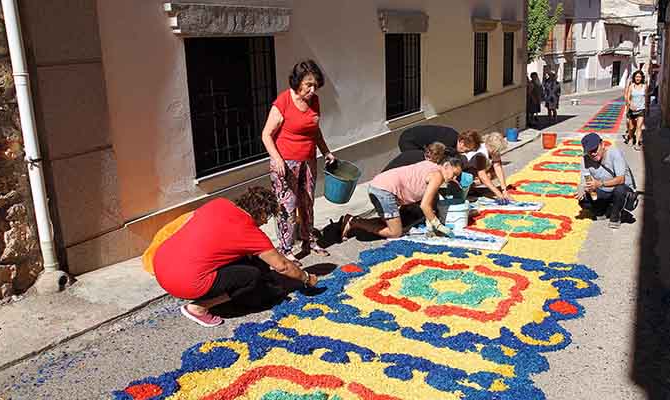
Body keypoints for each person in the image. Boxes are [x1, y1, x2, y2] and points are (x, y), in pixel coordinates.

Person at [153, 187, 318, 327]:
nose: (265, 222)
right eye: (266, 217)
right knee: (252, 276)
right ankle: (199, 308)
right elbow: (282, 266)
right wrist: (305, 278)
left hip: (161, 264)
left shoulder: (218, 203)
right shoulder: (250, 233)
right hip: (184, 283)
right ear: (260, 212)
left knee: (253, 262)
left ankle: (245, 292)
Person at [262, 59, 335, 265]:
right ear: (297, 82)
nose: (312, 90)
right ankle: (285, 249)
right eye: (308, 85)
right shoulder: (283, 102)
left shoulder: (314, 101)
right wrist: (277, 160)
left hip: (308, 160)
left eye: (315, 85)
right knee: (287, 205)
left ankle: (308, 239)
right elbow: (266, 134)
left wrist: (326, 152)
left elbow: (314, 129)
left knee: (308, 201)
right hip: (286, 163)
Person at [341, 157, 464, 239]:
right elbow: (425, 205)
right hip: (384, 191)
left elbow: (427, 194)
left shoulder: (431, 165)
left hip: (379, 185)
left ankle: (357, 222)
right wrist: (438, 225)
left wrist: (430, 218)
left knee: (393, 223)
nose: (453, 179)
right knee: (395, 232)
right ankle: (354, 222)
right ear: (446, 166)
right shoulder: (438, 176)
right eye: (454, 174)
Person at [575, 133, 635, 229]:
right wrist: (581, 188)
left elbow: (621, 179)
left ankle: (616, 215)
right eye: (590, 152)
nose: (593, 154)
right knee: (584, 200)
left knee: (620, 190)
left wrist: (599, 184)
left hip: (623, 189)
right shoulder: (585, 160)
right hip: (604, 190)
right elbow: (585, 180)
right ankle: (603, 210)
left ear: (602, 145)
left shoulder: (614, 153)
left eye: (595, 149)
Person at [465, 132, 511, 202]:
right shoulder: (481, 155)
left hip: (474, 172)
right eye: (497, 151)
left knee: (493, 173)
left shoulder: (492, 150)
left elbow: (498, 167)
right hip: (463, 174)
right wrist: (498, 194)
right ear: (493, 149)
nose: (498, 153)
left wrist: (504, 190)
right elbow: (483, 177)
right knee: (486, 177)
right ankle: (466, 189)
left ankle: (470, 188)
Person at [625, 70, 649, 150]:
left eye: (639, 77)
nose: (637, 78)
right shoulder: (631, 86)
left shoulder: (645, 86)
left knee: (639, 127)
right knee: (631, 127)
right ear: (634, 77)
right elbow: (627, 97)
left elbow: (646, 98)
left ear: (641, 78)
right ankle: (631, 138)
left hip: (641, 109)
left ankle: (637, 143)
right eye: (636, 77)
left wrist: (647, 108)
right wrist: (630, 104)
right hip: (632, 110)